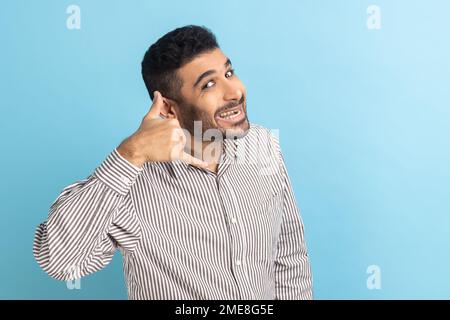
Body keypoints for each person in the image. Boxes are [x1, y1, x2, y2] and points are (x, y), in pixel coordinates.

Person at [33, 25, 313, 300]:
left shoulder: (261, 145)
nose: (234, 92)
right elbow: (60, 262)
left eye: (229, 72)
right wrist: (130, 153)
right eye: (209, 84)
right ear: (168, 107)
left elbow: (288, 255)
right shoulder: (132, 184)